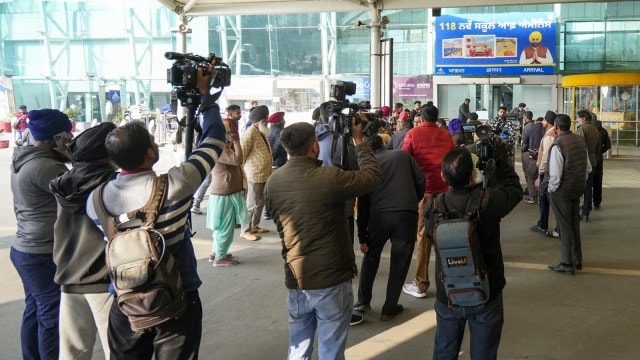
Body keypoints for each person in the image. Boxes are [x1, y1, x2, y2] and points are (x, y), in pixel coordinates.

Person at [86, 66, 226, 359]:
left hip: (124, 300)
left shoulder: (95, 201)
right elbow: (214, 141)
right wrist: (205, 97)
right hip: (177, 299)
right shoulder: (176, 184)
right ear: (151, 153)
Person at [264, 120, 381, 359]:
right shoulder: (329, 177)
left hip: (296, 277)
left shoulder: (273, 181)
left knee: (298, 345)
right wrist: (359, 140)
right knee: (331, 347)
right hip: (331, 278)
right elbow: (371, 176)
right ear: (314, 147)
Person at [428, 146, 522, 359]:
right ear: (473, 174)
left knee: (444, 349)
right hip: (486, 290)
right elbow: (515, 190)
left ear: (443, 176)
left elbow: (428, 236)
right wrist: (501, 161)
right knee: (484, 353)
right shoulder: (488, 200)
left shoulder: (434, 206)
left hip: (448, 292)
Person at [50, 122, 117, 360]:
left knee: (72, 353)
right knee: (117, 350)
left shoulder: (63, 183)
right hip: (101, 278)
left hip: (69, 275)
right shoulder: (110, 186)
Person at [11, 108, 73, 360]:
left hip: (26, 250)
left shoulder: (25, 158)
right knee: (51, 314)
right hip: (40, 253)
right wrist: (74, 156)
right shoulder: (45, 167)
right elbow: (80, 190)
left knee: (35, 308)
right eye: (67, 135)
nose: (70, 139)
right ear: (56, 138)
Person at [354, 135, 425, 321]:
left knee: (371, 257)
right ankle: (389, 306)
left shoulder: (367, 167)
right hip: (406, 215)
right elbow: (421, 180)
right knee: (400, 261)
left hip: (377, 217)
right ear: (384, 144)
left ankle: (363, 302)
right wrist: (412, 200)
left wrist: (362, 237)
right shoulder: (402, 156)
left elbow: (362, 204)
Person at [401, 103, 455, 299]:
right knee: (447, 234)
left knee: (423, 236)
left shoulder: (413, 134)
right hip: (445, 192)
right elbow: (453, 159)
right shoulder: (446, 135)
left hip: (423, 191)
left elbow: (404, 158)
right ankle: (450, 280)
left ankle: (421, 283)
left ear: (421, 118)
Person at [546, 114, 591, 275]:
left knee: (564, 227)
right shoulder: (579, 140)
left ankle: (566, 263)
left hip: (562, 191)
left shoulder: (558, 144)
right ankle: (577, 259)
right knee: (574, 225)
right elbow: (588, 167)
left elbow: (556, 175)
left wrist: (551, 189)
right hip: (577, 188)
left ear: (557, 127)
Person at [206, 130, 248, 267]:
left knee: (221, 227)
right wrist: (236, 141)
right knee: (225, 228)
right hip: (225, 193)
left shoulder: (219, 147)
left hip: (224, 192)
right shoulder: (220, 148)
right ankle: (220, 258)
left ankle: (217, 252)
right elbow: (237, 160)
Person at [240, 104, 272, 241]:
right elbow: (241, 155)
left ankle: (254, 226)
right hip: (254, 174)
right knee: (251, 204)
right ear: (261, 120)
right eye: (266, 118)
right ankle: (245, 230)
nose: (268, 121)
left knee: (260, 202)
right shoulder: (249, 133)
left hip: (264, 173)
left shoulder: (261, 131)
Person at [531, 111, 559, 237]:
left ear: (548, 121)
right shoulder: (555, 133)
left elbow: (547, 156)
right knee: (549, 200)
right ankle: (547, 225)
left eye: (543, 120)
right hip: (552, 171)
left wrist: (541, 170)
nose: (542, 122)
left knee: (545, 200)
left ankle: (543, 225)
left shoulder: (549, 135)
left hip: (547, 173)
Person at [575, 109, 600, 222]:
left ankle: (583, 212)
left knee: (582, 188)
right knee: (589, 188)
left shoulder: (581, 129)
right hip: (593, 160)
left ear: (583, 119)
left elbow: (578, 147)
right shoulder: (595, 129)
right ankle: (586, 211)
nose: (576, 120)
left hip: (584, 162)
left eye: (578, 118)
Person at [521, 112, 544, 203]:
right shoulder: (545, 129)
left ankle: (532, 196)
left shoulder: (530, 127)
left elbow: (525, 140)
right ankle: (541, 196)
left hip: (532, 154)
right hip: (542, 155)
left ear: (526, 117)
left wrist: (523, 150)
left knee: (530, 175)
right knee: (541, 175)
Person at [593, 117, 611, 209]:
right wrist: (600, 152)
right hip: (599, 159)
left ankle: (586, 205)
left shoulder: (586, 129)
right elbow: (608, 145)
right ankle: (597, 202)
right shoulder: (603, 130)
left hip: (589, 159)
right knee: (598, 181)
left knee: (587, 182)